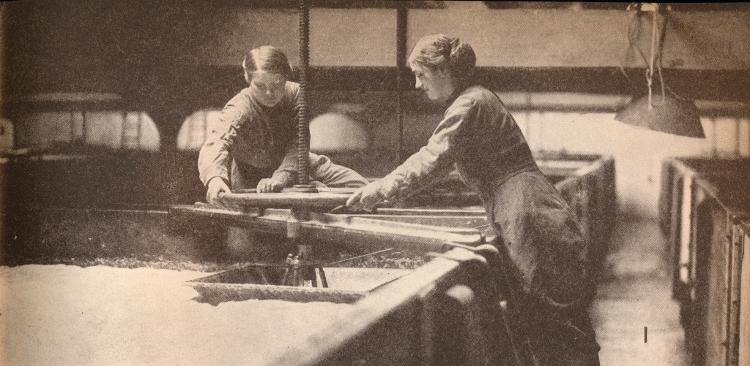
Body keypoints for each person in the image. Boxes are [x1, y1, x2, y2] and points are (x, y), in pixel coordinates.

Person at [346, 34, 600, 366]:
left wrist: (379, 189)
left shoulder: (470, 104)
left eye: (421, 74)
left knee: (554, 317)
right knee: (552, 318)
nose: (417, 84)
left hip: (527, 212)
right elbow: (446, 164)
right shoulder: (476, 100)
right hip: (523, 206)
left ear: (443, 71)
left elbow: (432, 159)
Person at [198, 45, 368, 205]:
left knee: (362, 187)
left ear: (287, 76)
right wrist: (214, 179)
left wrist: (280, 177)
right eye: (260, 86)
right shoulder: (239, 108)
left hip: (297, 162)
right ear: (247, 78)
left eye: (277, 84)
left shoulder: (295, 94)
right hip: (250, 175)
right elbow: (216, 143)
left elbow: (298, 145)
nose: (269, 93)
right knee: (249, 227)